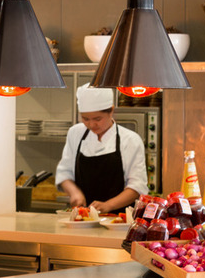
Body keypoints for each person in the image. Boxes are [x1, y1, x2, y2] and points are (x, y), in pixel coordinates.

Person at [54, 83, 148, 214]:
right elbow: (64, 173)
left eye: (97, 119)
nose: (91, 124)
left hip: (119, 220)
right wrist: (74, 193)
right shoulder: (75, 133)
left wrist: (108, 205)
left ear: (111, 111)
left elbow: (137, 187)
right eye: (85, 119)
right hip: (83, 217)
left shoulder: (131, 140)